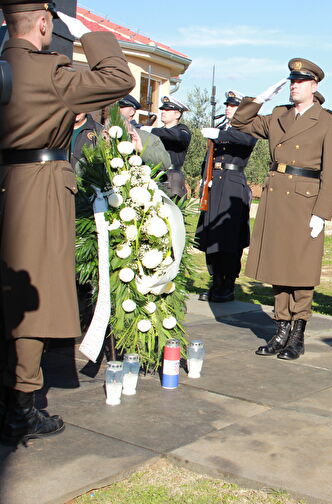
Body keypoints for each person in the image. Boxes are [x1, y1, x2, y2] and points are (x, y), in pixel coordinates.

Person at [0, 1, 134, 443]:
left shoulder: (7, 68)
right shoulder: (51, 72)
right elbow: (119, 78)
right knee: (32, 299)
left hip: (6, 181)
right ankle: (21, 409)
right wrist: (88, 35)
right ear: (43, 23)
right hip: (38, 189)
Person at [231, 58, 332, 360]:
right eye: (292, 81)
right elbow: (240, 122)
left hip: (305, 201)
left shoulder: (329, 121)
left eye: (301, 81)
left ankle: (298, 333)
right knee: (278, 266)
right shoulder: (279, 114)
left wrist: (323, 213)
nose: (294, 85)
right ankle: (280, 327)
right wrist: (258, 100)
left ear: (314, 86)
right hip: (277, 197)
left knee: (301, 269)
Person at [195, 90, 257, 303]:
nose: (228, 109)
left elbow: (247, 141)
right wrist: (205, 178)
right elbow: (208, 157)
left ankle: (227, 284)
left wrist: (220, 135)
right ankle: (215, 281)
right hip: (215, 183)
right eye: (227, 105)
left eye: (233, 106)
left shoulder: (246, 128)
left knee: (229, 237)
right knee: (211, 232)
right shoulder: (221, 128)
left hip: (232, 183)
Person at [141, 95, 191, 198]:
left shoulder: (182, 130)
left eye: (167, 110)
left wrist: (151, 130)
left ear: (177, 114)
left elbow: (176, 137)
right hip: (153, 175)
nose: (163, 112)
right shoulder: (159, 131)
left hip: (171, 178)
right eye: (163, 109)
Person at [117, 95, 172, 171]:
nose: (116, 109)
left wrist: (142, 149)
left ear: (132, 112)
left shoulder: (144, 136)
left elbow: (165, 162)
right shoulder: (101, 132)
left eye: (121, 106)